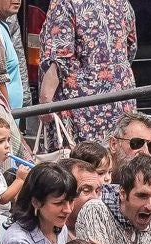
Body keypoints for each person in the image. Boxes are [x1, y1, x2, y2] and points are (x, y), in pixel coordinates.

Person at [37, 0, 137, 139]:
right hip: (120, 98)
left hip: (81, 105)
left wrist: (45, 103)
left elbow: (58, 58)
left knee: (80, 157)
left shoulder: (65, 3)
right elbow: (131, 47)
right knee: (120, 152)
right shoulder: (121, 2)